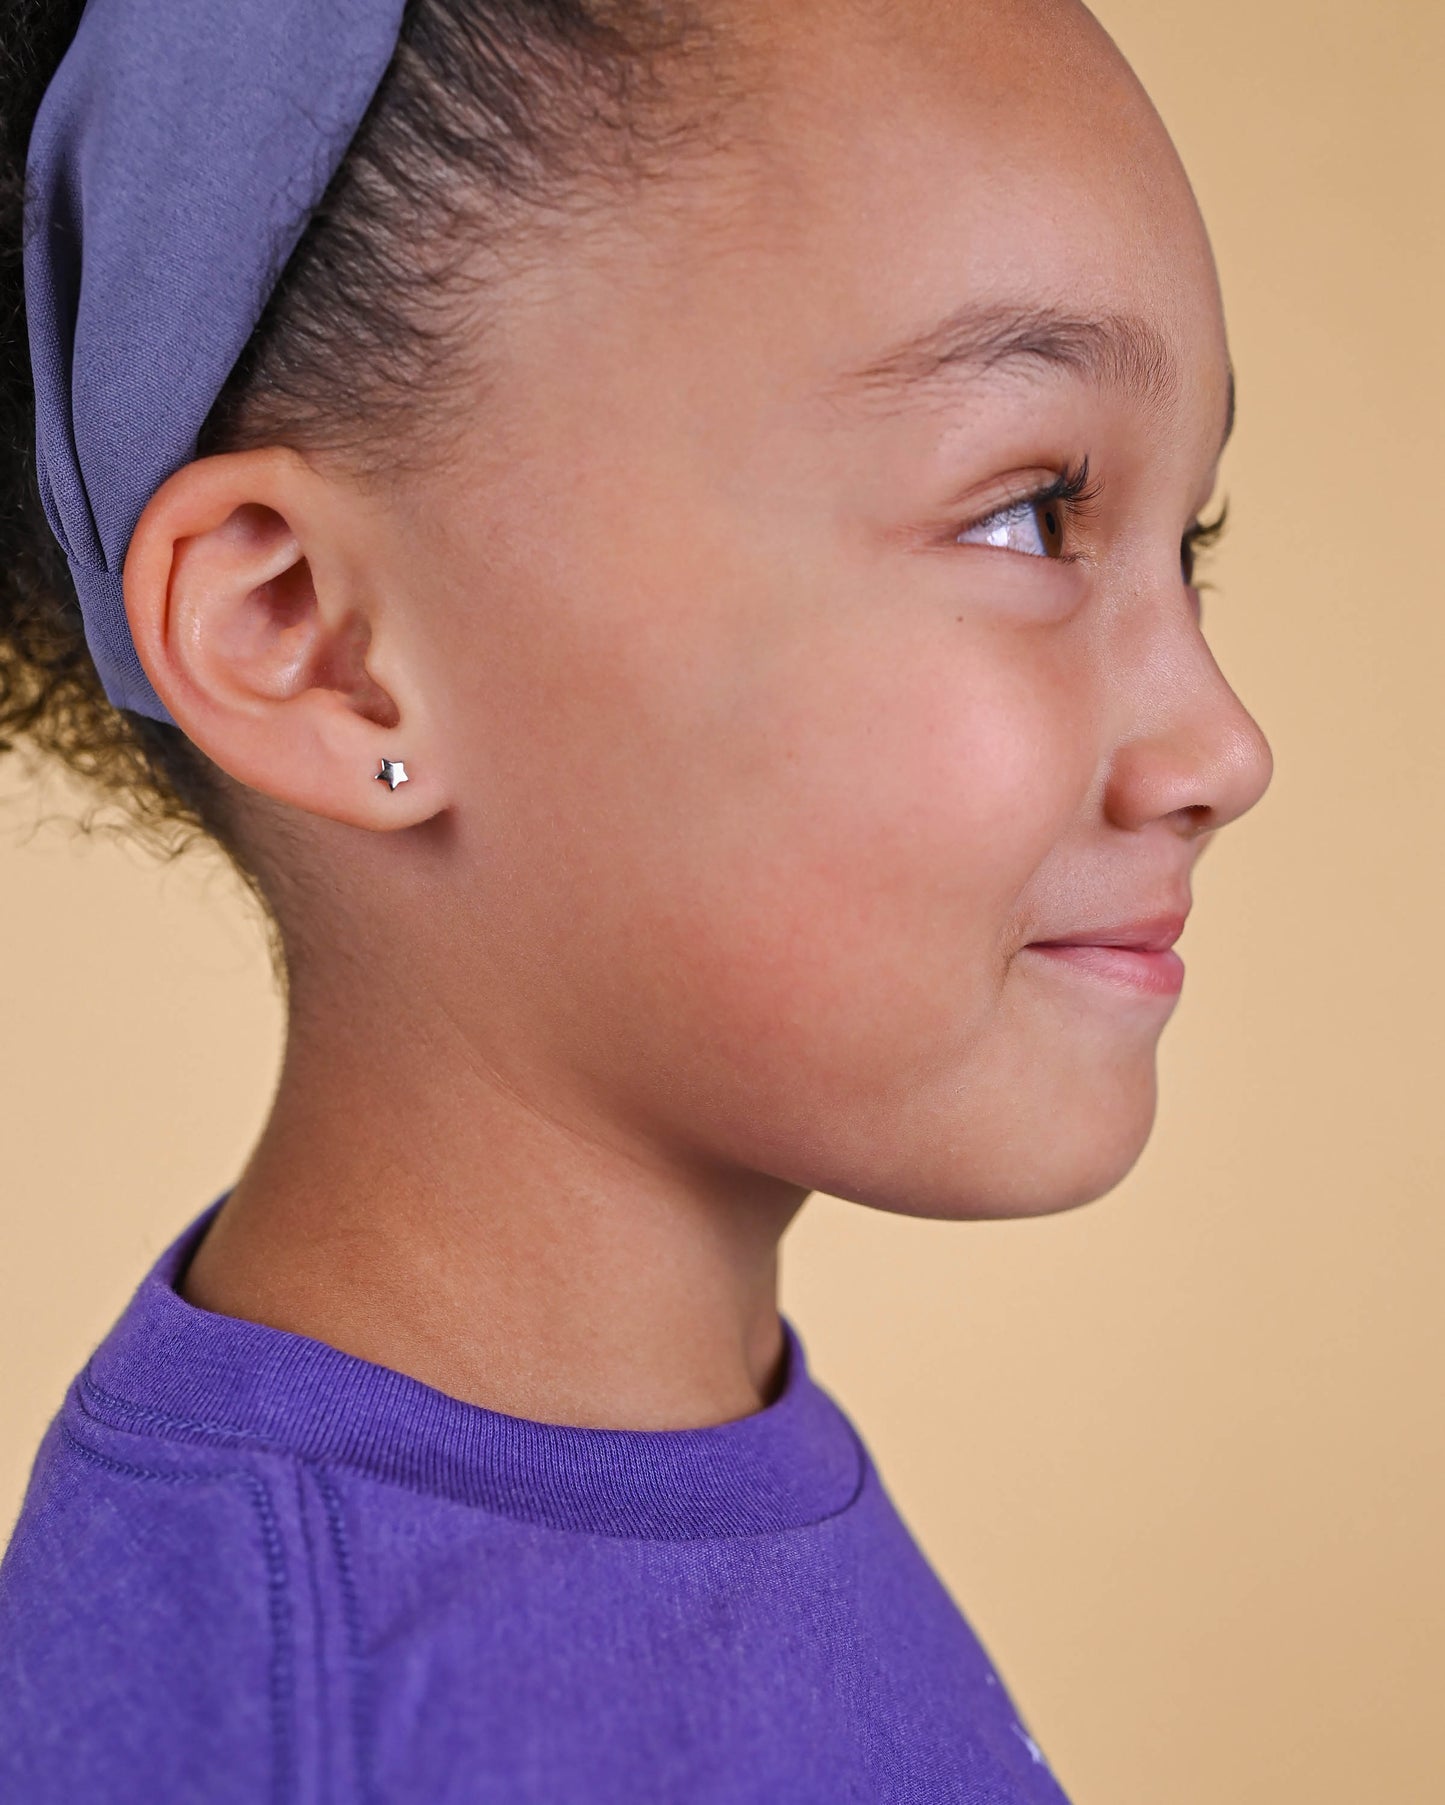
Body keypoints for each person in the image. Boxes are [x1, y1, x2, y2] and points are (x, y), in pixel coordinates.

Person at [0, 0, 1273, 1797]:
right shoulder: (281, 1732)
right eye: (1030, 513)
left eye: (1186, 538)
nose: (1221, 743)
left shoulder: (677, 1473)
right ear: (317, 643)